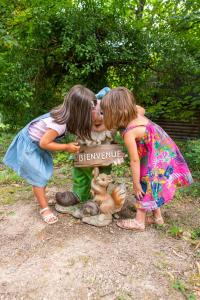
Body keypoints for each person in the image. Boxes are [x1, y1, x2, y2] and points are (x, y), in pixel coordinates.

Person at [101, 87, 193, 231]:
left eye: (107, 112)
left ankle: (139, 221)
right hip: (164, 152)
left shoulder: (129, 133)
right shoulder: (136, 114)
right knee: (152, 184)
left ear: (116, 112)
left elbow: (134, 160)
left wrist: (136, 183)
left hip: (157, 158)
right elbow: (139, 108)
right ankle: (157, 217)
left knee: (144, 185)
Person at [3, 85, 96, 224]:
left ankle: (41, 197)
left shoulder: (68, 115)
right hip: (31, 145)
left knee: (43, 173)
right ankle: (44, 208)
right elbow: (44, 143)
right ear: (80, 111)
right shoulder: (59, 124)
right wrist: (66, 147)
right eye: (89, 110)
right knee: (39, 177)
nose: (91, 113)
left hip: (37, 144)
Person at [55, 87, 146, 207]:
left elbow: (140, 110)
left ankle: (100, 197)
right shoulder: (82, 115)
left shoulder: (115, 111)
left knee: (104, 174)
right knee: (81, 173)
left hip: (106, 151)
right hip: (85, 149)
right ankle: (79, 194)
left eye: (103, 114)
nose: (98, 121)